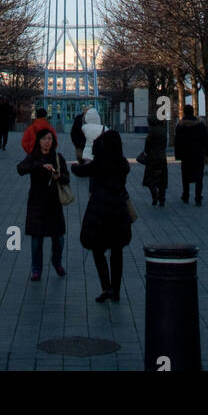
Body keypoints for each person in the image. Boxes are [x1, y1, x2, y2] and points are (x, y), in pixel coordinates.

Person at [72, 128, 132, 302]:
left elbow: (81, 171)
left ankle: (106, 287)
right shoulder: (122, 164)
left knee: (98, 250)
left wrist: (74, 166)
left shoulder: (100, 163)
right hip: (119, 212)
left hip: (100, 213)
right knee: (117, 250)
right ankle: (116, 290)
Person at [17, 128, 69, 280]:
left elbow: (66, 178)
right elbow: (20, 169)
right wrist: (39, 166)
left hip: (54, 203)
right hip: (37, 202)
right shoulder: (33, 157)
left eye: (50, 139)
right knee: (36, 239)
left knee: (58, 238)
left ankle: (56, 261)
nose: (47, 142)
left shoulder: (58, 158)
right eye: (45, 139)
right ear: (39, 141)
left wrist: (58, 176)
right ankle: (36, 269)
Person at [173, 103, 208, 204]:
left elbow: (177, 141)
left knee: (185, 175)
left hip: (185, 154)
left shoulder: (180, 125)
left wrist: (177, 155)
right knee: (199, 176)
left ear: (184, 112)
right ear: (193, 112)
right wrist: (207, 152)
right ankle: (198, 197)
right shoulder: (200, 125)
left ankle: (186, 195)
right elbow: (205, 139)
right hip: (198, 154)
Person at [138, 114, 169, 207]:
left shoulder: (151, 132)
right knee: (162, 180)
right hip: (162, 157)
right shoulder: (163, 131)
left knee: (150, 179)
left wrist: (145, 153)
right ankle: (162, 199)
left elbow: (147, 146)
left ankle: (154, 195)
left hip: (152, 158)